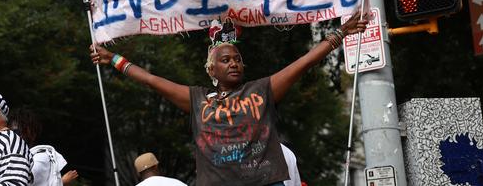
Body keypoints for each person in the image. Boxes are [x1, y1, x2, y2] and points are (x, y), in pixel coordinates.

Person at [91, 12, 367, 186]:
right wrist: (113, 59)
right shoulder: (198, 100)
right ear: (212, 69)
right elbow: (152, 81)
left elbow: (302, 64)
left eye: (237, 59)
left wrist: (340, 34)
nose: (233, 63)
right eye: (225, 60)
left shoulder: (261, 91)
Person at [8, 108, 79, 186]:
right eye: (12, 132)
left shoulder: (41, 158)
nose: (16, 136)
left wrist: (61, 182)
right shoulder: (7, 155)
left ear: (33, 134)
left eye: (19, 132)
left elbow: (19, 181)